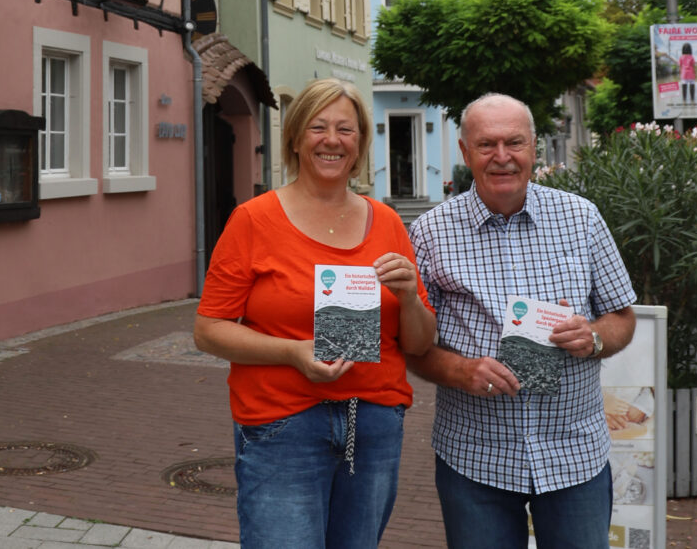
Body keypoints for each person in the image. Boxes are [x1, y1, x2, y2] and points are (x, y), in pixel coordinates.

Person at [194, 77, 437, 549]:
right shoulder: (253, 219)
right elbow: (208, 331)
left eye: (345, 130)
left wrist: (409, 297)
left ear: (361, 142)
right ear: (295, 138)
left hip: (373, 422)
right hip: (283, 419)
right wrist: (293, 352)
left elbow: (420, 343)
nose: (332, 140)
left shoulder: (386, 221)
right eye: (318, 127)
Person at [407, 93, 637, 549]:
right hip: (475, 457)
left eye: (514, 142)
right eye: (487, 144)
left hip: (574, 453)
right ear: (465, 152)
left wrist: (592, 336)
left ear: (534, 146)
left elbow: (622, 316)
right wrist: (460, 370)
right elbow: (414, 345)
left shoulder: (581, 218)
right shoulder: (430, 231)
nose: (502, 157)